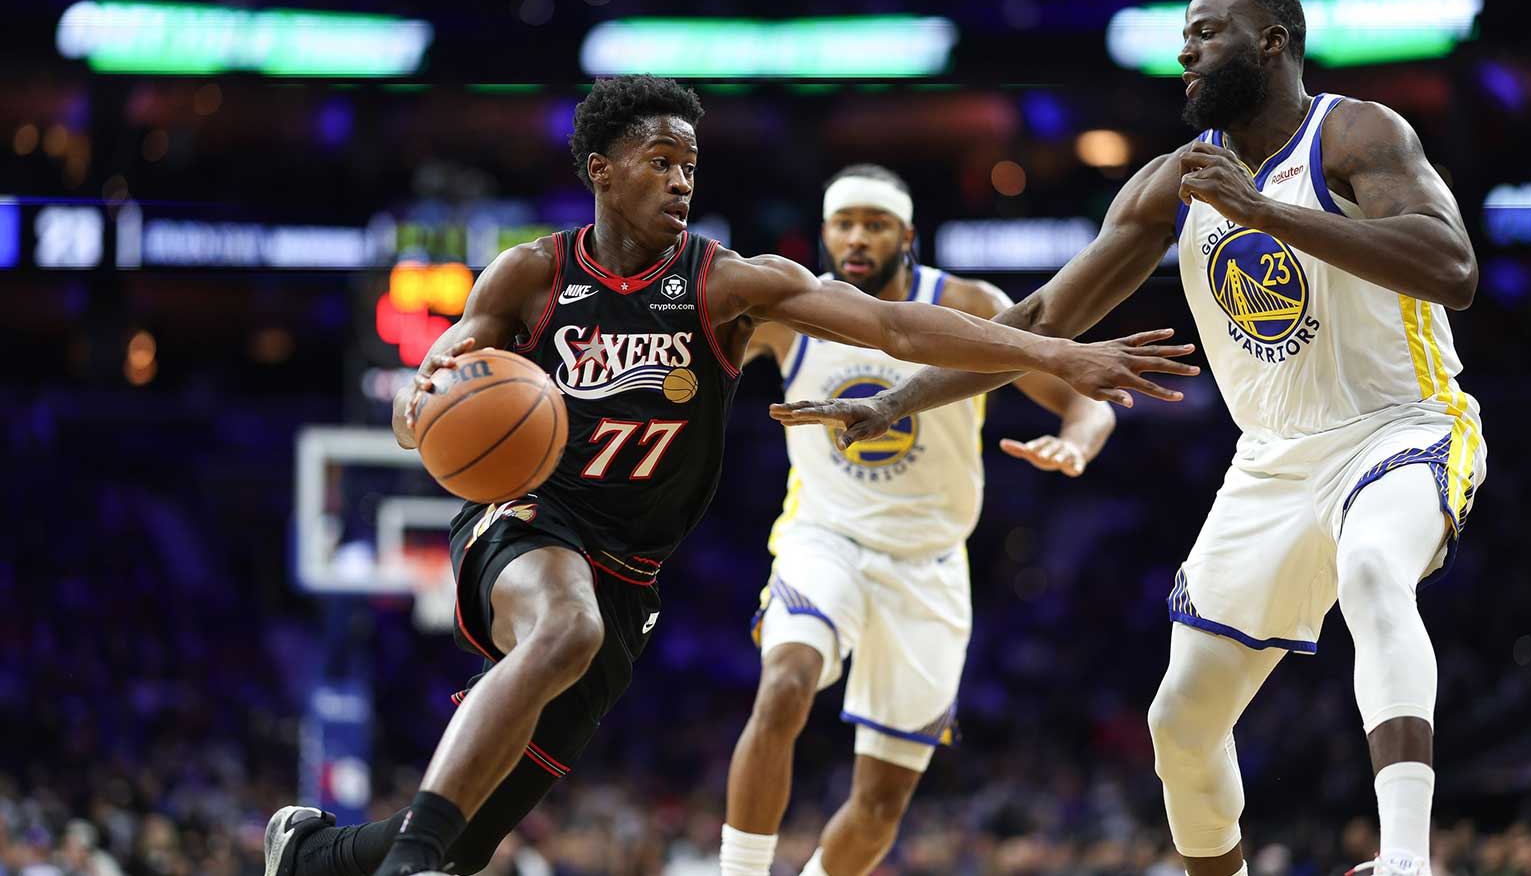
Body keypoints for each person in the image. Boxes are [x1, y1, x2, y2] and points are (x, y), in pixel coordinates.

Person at [263, 74, 1196, 876]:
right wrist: (420, 408)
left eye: (690, 166)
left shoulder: (727, 284)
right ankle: (416, 864)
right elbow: (431, 389)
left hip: (633, 572)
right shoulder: (530, 276)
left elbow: (899, 329)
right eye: (660, 160)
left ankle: (313, 855)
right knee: (562, 628)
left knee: (484, 827)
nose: (680, 178)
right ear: (600, 169)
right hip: (530, 520)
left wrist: (1059, 359)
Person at [771, 0, 1487, 876]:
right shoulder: (1172, 182)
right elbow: (1037, 319)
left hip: (1400, 426)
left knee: (1375, 569)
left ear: (1272, 42)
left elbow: (1452, 266)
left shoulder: (1357, 133)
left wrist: (1267, 213)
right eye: (1182, 36)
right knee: (1179, 725)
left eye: (1206, 34)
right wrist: (893, 402)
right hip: (1271, 464)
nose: (1185, 53)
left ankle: (1408, 859)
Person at [720, 164, 1117, 876]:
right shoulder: (788, 317)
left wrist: (1076, 443)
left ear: (907, 235)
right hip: (825, 538)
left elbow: (1086, 397)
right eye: (844, 224)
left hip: (929, 564)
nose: (857, 239)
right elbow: (688, 361)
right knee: (784, 682)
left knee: (880, 806)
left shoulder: (967, 303)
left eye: (874, 225)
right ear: (824, 235)